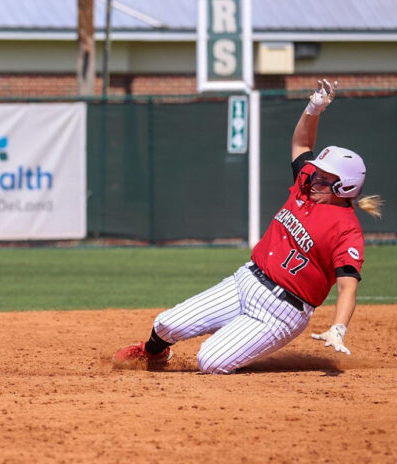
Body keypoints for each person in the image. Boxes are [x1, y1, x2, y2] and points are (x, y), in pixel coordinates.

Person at [113, 79, 383, 374]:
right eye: (316, 172)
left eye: (323, 177)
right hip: (246, 281)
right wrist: (314, 108)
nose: (313, 177)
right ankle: (154, 353)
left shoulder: (347, 230)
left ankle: (243, 340)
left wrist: (338, 327)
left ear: (345, 187)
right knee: (166, 323)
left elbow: (347, 287)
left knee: (211, 361)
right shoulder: (305, 188)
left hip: (282, 312)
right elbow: (302, 144)